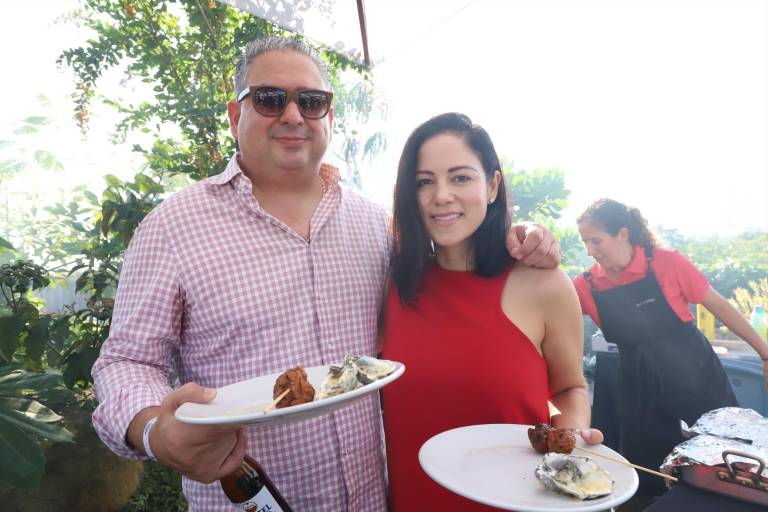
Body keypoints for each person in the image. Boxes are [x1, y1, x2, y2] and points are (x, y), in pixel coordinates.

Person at [91, 38, 560, 511]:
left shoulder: (377, 225)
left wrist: (521, 235)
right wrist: (153, 429)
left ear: (329, 119)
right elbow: (126, 361)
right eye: (271, 99)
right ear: (236, 116)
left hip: (374, 500)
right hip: (249, 499)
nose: (293, 115)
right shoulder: (175, 226)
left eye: (311, 102)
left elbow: (454, 262)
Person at [380, 113, 602, 511]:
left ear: (493, 185)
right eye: (424, 181)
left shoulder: (545, 286)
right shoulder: (392, 283)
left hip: (519, 500)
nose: (441, 195)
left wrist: (571, 432)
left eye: (461, 177)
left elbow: (569, 388)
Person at [573, 198, 768, 499]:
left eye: (596, 241)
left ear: (622, 234)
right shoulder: (586, 285)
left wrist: (764, 353)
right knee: (644, 467)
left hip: (695, 374)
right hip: (638, 384)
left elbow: (720, 307)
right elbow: (553, 313)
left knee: (725, 460)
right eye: (585, 242)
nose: (590, 251)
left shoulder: (668, 263)